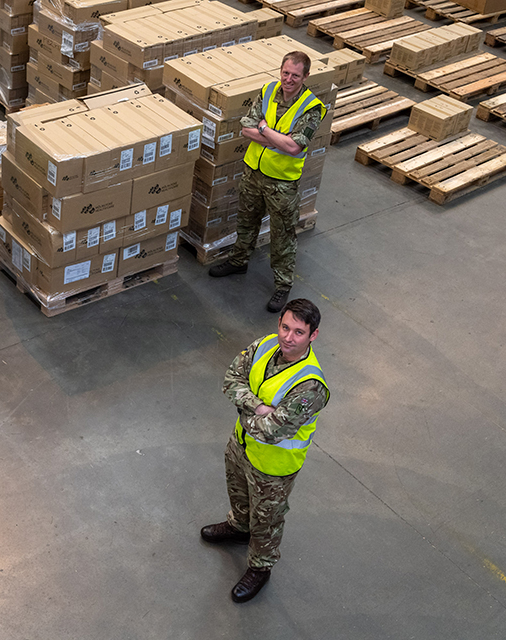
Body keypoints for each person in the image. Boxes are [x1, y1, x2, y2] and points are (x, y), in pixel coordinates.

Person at [200, 298, 330, 603]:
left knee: (267, 518)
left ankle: (260, 566)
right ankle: (238, 527)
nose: (288, 336)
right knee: (239, 493)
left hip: (273, 467)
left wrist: (242, 405)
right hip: (241, 447)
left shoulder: (311, 386)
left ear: (313, 335)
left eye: (299, 332)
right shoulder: (264, 346)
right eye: (285, 327)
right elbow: (231, 379)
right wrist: (258, 406)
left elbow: (273, 431)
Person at [209, 52, 326, 314]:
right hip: (253, 172)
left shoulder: (311, 107)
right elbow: (244, 129)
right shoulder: (268, 90)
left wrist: (264, 130)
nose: (288, 79)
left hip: (282, 182)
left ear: (306, 76)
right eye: (285, 72)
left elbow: (294, 147)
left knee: (282, 234)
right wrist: (277, 138)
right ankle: (239, 261)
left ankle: (283, 284)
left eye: (295, 75)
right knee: (246, 221)